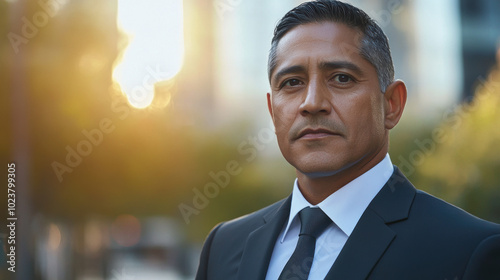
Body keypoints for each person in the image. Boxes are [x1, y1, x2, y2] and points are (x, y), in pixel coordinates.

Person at [195, 0, 500, 279]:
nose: (312, 102)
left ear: (391, 104)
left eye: (342, 78)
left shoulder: (470, 251)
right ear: (273, 111)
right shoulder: (223, 246)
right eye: (292, 83)